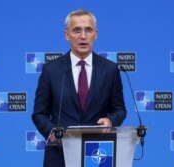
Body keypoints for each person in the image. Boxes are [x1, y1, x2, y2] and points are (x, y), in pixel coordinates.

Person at [32, 9, 127, 167]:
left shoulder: (110, 70)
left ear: (95, 34)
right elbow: (39, 113)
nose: (83, 36)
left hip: (98, 154)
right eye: (76, 30)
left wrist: (111, 121)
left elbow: (120, 110)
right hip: (60, 155)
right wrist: (52, 131)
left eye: (88, 30)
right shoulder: (51, 70)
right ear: (66, 35)